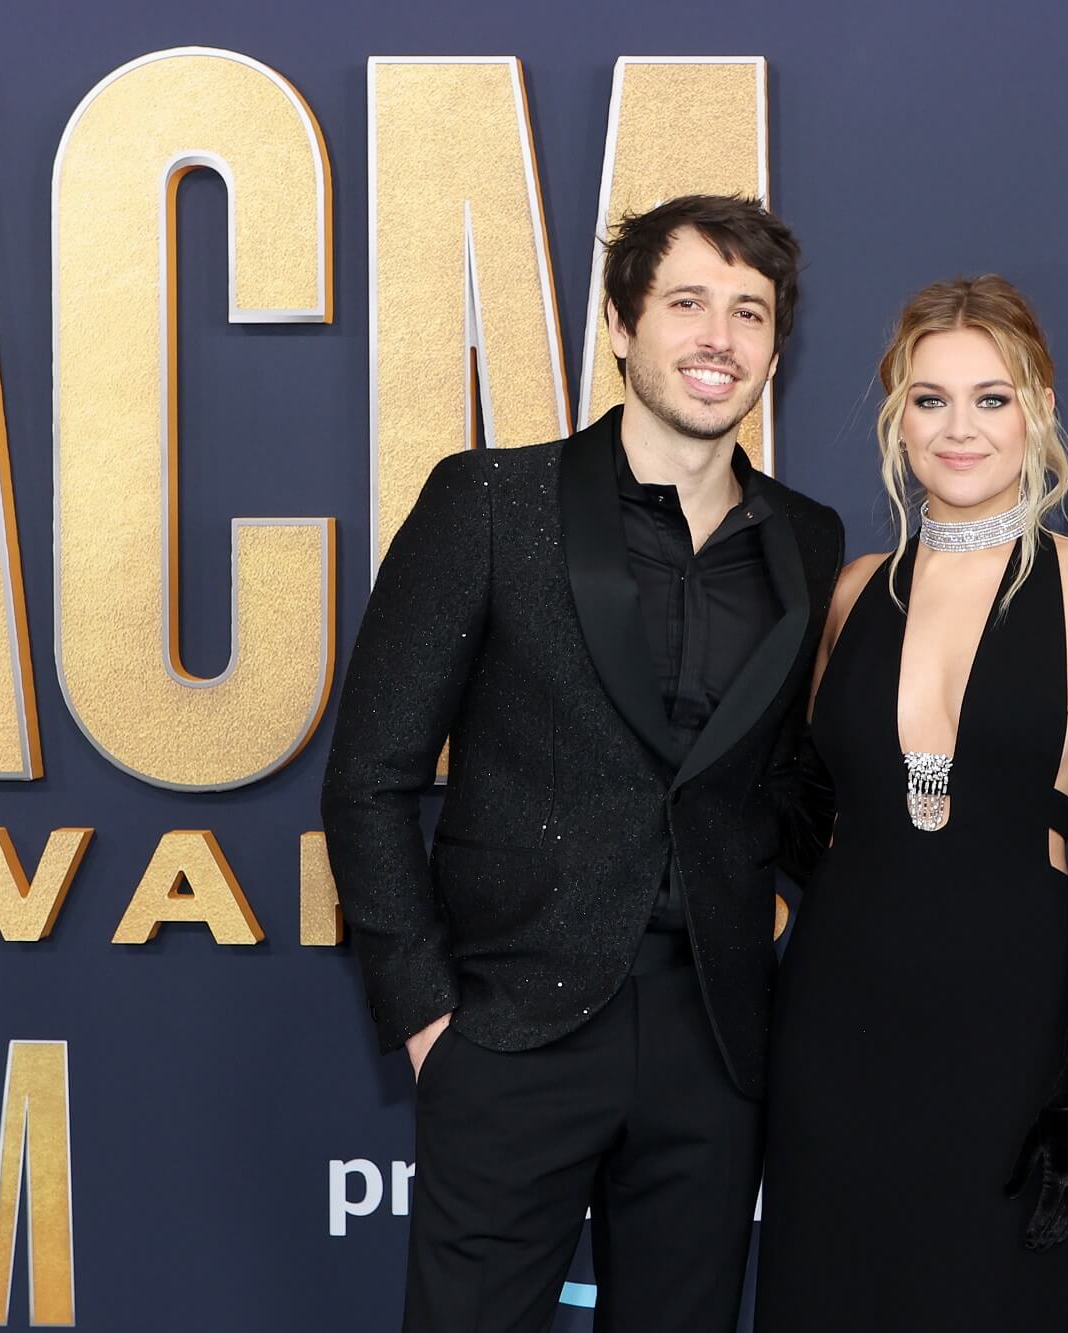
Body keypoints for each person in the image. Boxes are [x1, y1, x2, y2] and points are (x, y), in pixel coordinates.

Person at [320, 194, 843, 1333]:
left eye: (748, 313)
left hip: (713, 1035)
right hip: (514, 1029)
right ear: (619, 326)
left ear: (773, 348)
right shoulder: (493, 504)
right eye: (688, 303)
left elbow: (784, 779)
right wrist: (429, 1022)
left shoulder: (807, 539)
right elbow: (368, 773)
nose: (719, 337)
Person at [755, 275, 1068, 1331]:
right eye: (929, 398)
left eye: (991, 396)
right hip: (836, 1015)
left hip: (1005, 1017)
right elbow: (798, 816)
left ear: (1038, 405)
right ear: (896, 416)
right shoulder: (849, 591)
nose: (959, 427)